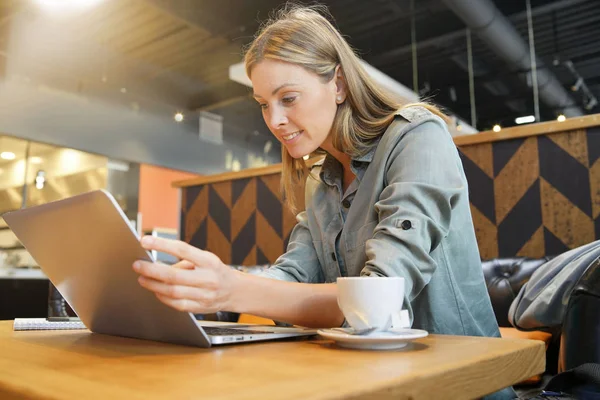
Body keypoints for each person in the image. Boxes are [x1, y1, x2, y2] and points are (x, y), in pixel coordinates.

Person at [132, 5, 514, 398]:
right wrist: (198, 283)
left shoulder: (418, 136)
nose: (274, 120)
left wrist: (233, 289)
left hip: (461, 383)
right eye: (264, 103)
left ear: (339, 84)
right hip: (370, 378)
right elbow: (293, 276)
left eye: (288, 97)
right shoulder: (320, 180)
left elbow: (381, 295)